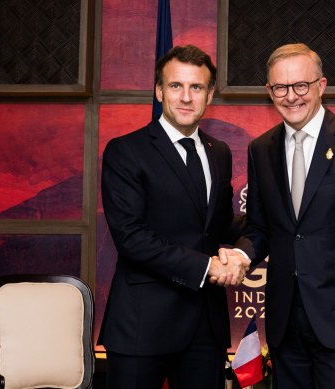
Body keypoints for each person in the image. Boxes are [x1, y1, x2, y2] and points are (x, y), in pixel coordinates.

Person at [226, 43, 335, 388]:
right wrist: (241, 253)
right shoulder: (260, 149)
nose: (291, 96)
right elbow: (262, 227)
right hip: (284, 324)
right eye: (280, 87)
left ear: (321, 86)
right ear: (269, 91)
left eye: (301, 86)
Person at [100, 45, 250, 389]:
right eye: (175, 86)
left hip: (205, 327)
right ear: (158, 91)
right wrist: (208, 267)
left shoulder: (219, 152)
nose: (186, 97)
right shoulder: (126, 151)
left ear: (209, 94)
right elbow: (131, 237)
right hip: (143, 325)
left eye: (196, 87)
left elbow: (219, 223)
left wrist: (260, 235)